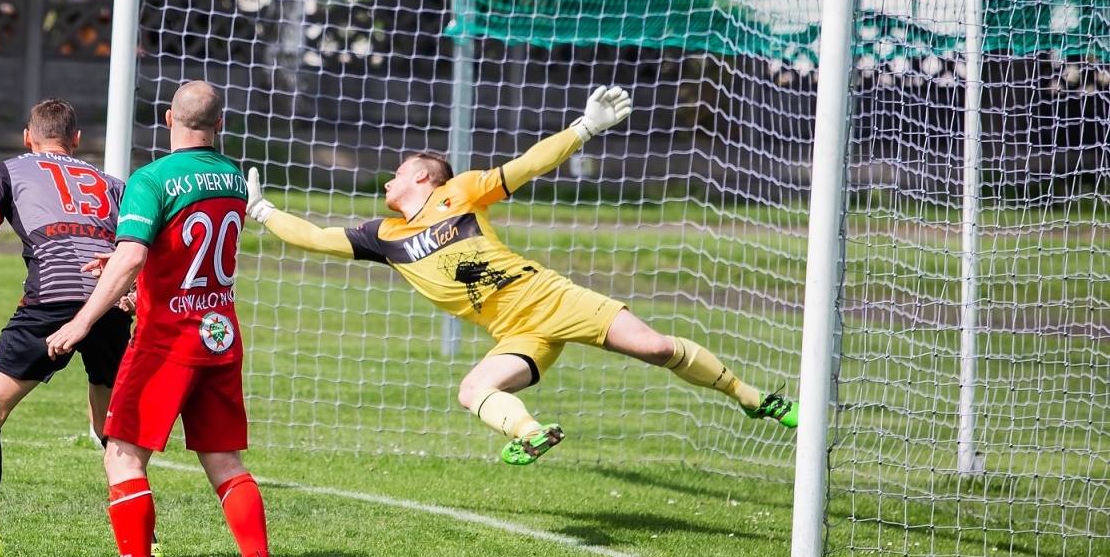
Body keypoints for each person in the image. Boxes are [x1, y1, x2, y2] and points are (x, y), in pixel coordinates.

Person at [246, 85, 799, 466]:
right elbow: (316, 238)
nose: (387, 181)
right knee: (472, 390)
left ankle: (752, 398)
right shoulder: (382, 236)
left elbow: (529, 164)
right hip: (515, 334)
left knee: (655, 349)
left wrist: (584, 128)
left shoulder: (457, 191)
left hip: (547, 297)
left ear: (421, 175)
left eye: (396, 173)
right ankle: (530, 432)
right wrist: (263, 211)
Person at [46, 80, 280, 557]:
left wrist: (83, 321)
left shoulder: (152, 179)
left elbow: (133, 255)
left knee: (122, 453)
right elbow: (187, 247)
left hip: (166, 339)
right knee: (224, 460)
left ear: (169, 117)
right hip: (219, 335)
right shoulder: (231, 178)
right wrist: (137, 267)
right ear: (219, 124)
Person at [0, 99, 134, 557]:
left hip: (53, 299)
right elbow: (135, 249)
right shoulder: (113, 183)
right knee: (110, 424)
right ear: (77, 140)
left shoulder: (10, 169)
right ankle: (142, 544)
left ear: (29, 137)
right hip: (109, 300)